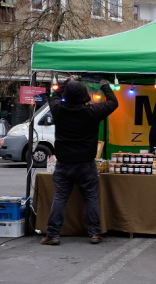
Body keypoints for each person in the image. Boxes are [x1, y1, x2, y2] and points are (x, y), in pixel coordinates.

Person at [40, 78, 118, 245]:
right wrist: (105, 86)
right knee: (91, 197)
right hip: (86, 163)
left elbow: (53, 96)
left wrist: (65, 83)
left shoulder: (59, 110)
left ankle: (53, 234)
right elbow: (113, 102)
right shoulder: (92, 112)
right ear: (85, 96)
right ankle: (95, 233)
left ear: (66, 95)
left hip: (64, 163)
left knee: (60, 197)